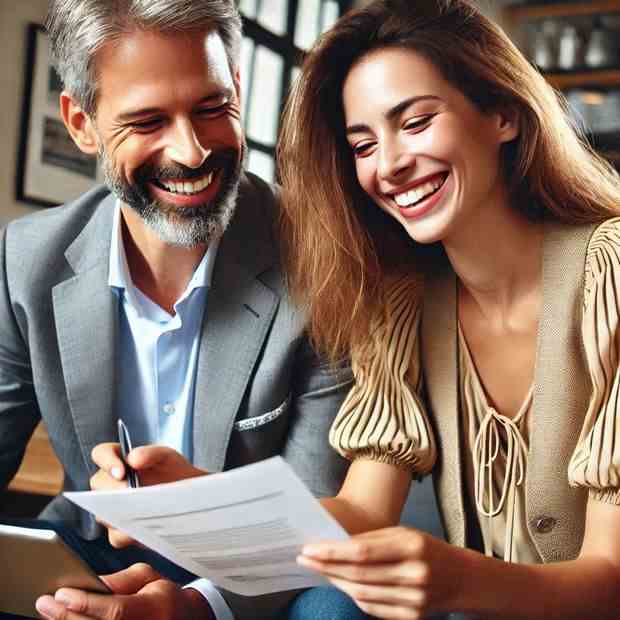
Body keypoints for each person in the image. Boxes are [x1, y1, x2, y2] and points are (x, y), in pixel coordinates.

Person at [0, 1, 355, 618]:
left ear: (238, 89)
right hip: (92, 554)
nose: (192, 152)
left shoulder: (326, 260)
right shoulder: (25, 259)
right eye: (147, 121)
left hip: (268, 567)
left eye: (213, 107)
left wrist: (198, 605)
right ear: (82, 123)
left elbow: (316, 513)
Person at [274, 0, 620, 618]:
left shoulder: (611, 271)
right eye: (362, 144)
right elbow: (359, 514)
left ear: (503, 116)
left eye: (415, 122)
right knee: (326, 607)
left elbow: (612, 577)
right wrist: (194, 508)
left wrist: (458, 581)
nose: (389, 165)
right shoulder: (405, 304)